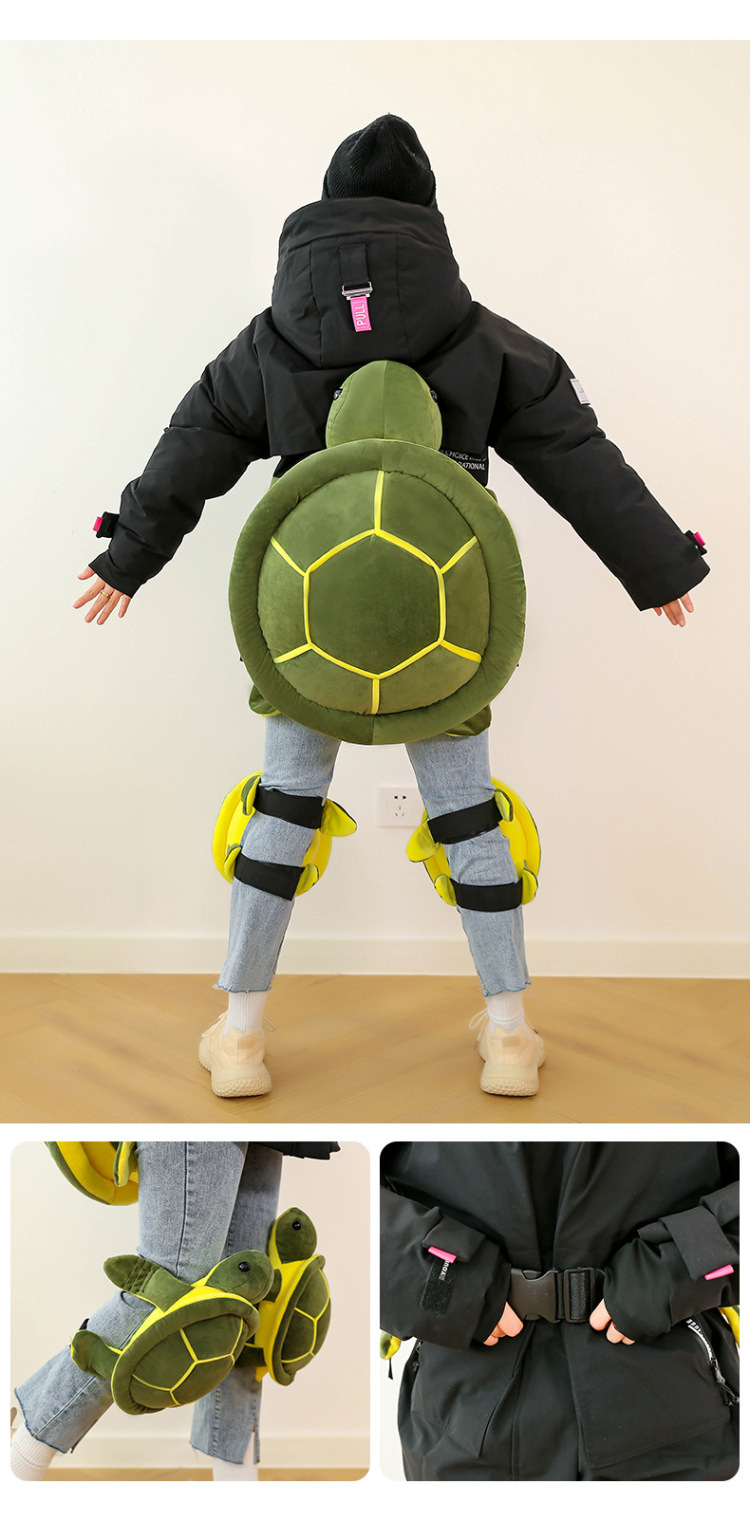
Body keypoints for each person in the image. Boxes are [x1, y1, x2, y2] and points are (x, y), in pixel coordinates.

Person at [72, 116, 709, 1099]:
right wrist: (660, 564)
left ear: (328, 209)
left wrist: (127, 556)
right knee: (469, 815)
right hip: (443, 621)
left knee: (284, 804)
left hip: (305, 622)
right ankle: (509, 1035)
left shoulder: (273, 336)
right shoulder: (483, 337)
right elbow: (576, 456)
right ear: (428, 217)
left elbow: (191, 445)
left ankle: (239, 1034)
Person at [380, 1140, 739, 1482]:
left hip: (669, 1407)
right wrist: (440, 1279)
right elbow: (356, 1197)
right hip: (465, 1412)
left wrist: (674, 1269)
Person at [11, 1141, 337, 1482]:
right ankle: (22, 1458)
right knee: (166, 1290)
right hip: (197, 1116)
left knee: (243, 1298)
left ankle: (236, 1482)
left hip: (259, 1128)